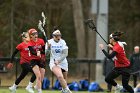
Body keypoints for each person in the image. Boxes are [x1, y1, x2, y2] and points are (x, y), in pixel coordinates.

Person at [45, 29, 72, 93]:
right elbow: (46, 54)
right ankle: (68, 91)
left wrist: (59, 60)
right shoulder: (49, 42)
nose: (58, 37)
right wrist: (48, 48)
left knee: (64, 80)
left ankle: (64, 90)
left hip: (63, 62)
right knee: (60, 76)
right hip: (53, 63)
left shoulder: (63, 42)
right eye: (57, 36)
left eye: (59, 35)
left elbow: (65, 53)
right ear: (53, 36)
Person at [27, 28, 46, 93]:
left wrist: (48, 48)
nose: (35, 35)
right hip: (33, 60)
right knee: (38, 75)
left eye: (36, 33)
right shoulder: (29, 43)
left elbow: (44, 50)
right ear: (30, 36)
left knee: (42, 76)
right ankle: (39, 91)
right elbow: (32, 52)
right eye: (33, 34)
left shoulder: (41, 41)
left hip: (40, 60)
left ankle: (37, 86)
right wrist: (37, 53)